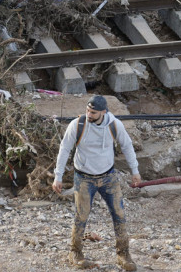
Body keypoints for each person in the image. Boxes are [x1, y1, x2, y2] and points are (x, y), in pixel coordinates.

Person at [53, 95, 143, 271]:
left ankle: (123, 254)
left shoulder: (114, 125)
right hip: (84, 178)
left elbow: (127, 146)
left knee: (119, 214)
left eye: (93, 112)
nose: (89, 114)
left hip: (109, 177)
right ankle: (75, 253)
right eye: (87, 110)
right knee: (81, 217)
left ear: (103, 112)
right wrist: (58, 176)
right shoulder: (77, 125)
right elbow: (64, 149)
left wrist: (135, 171)